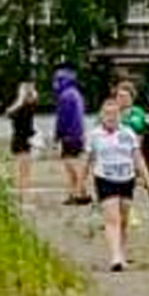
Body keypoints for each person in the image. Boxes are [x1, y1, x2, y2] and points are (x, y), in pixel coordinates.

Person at [85, 97, 149, 271]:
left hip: (127, 179)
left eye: (114, 114)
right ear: (101, 116)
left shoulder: (128, 133)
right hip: (105, 178)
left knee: (123, 220)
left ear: (120, 115)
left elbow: (137, 158)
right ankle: (115, 257)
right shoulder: (94, 135)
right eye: (107, 114)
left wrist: (147, 179)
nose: (111, 117)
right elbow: (89, 160)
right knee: (112, 219)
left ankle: (122, 253)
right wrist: (81, 183)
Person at [53, 66, 89, 204]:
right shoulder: (76, 94)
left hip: (69, 135)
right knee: (74, 163)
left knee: (70, 164)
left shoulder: (65, 96)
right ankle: (79, 191)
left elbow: (62, 118)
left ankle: (78, 193)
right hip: (78, 134)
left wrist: (57, 135)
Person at [5, 82, 36, 200]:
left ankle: (23, 193)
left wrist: (21, 96)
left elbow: (8, 112)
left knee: (23, 168)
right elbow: (9, 113)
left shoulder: (21, 107)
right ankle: (23, 193)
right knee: (24, 169)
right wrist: (23, 95)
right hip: (22, 139)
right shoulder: (26, 106)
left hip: (20, 139)